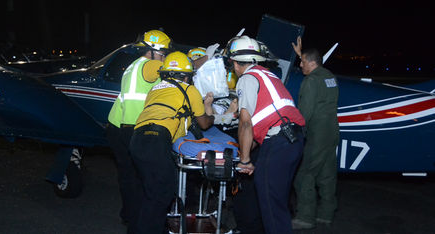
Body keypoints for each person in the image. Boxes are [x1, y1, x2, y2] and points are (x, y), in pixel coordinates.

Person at [129, 51, 214, 233]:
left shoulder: (155, 89)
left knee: (149, 192)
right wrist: (209, 108)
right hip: (156, 139)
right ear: (186, 75)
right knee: (162, 193)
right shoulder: (189, 90)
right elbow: (204, 123)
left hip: (137, 139)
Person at [228, 35, 306, 234]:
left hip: (278, 142)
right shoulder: (268, 75)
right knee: (278, 204)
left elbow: (245, 123)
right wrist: (244, 153)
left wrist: (245, 160)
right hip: (293, 141)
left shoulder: (247, 78)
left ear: (236, 63)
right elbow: (259, 127)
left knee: (270, 207)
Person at [105, 29, 171, 231]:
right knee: (141, 180)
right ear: (152, 51)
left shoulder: (135, 65)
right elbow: (173, 68)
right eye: (163, 53)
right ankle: (136, 222)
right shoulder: (150, 65)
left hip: (119, 126)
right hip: (131, 128)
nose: (165, 57)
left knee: (129, 176)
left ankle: (130, 215)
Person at [291, 36, 340, 229]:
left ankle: (305, 217)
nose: (300, 65)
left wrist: (296, 133)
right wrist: (300, 54)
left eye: (302, 62)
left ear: (312, 63)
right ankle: (326, 214)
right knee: (327, 175)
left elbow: (305, 113)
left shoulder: (310, 82)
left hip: (317, 135)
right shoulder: (330, 76)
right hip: (331, 132)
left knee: (304, 176)